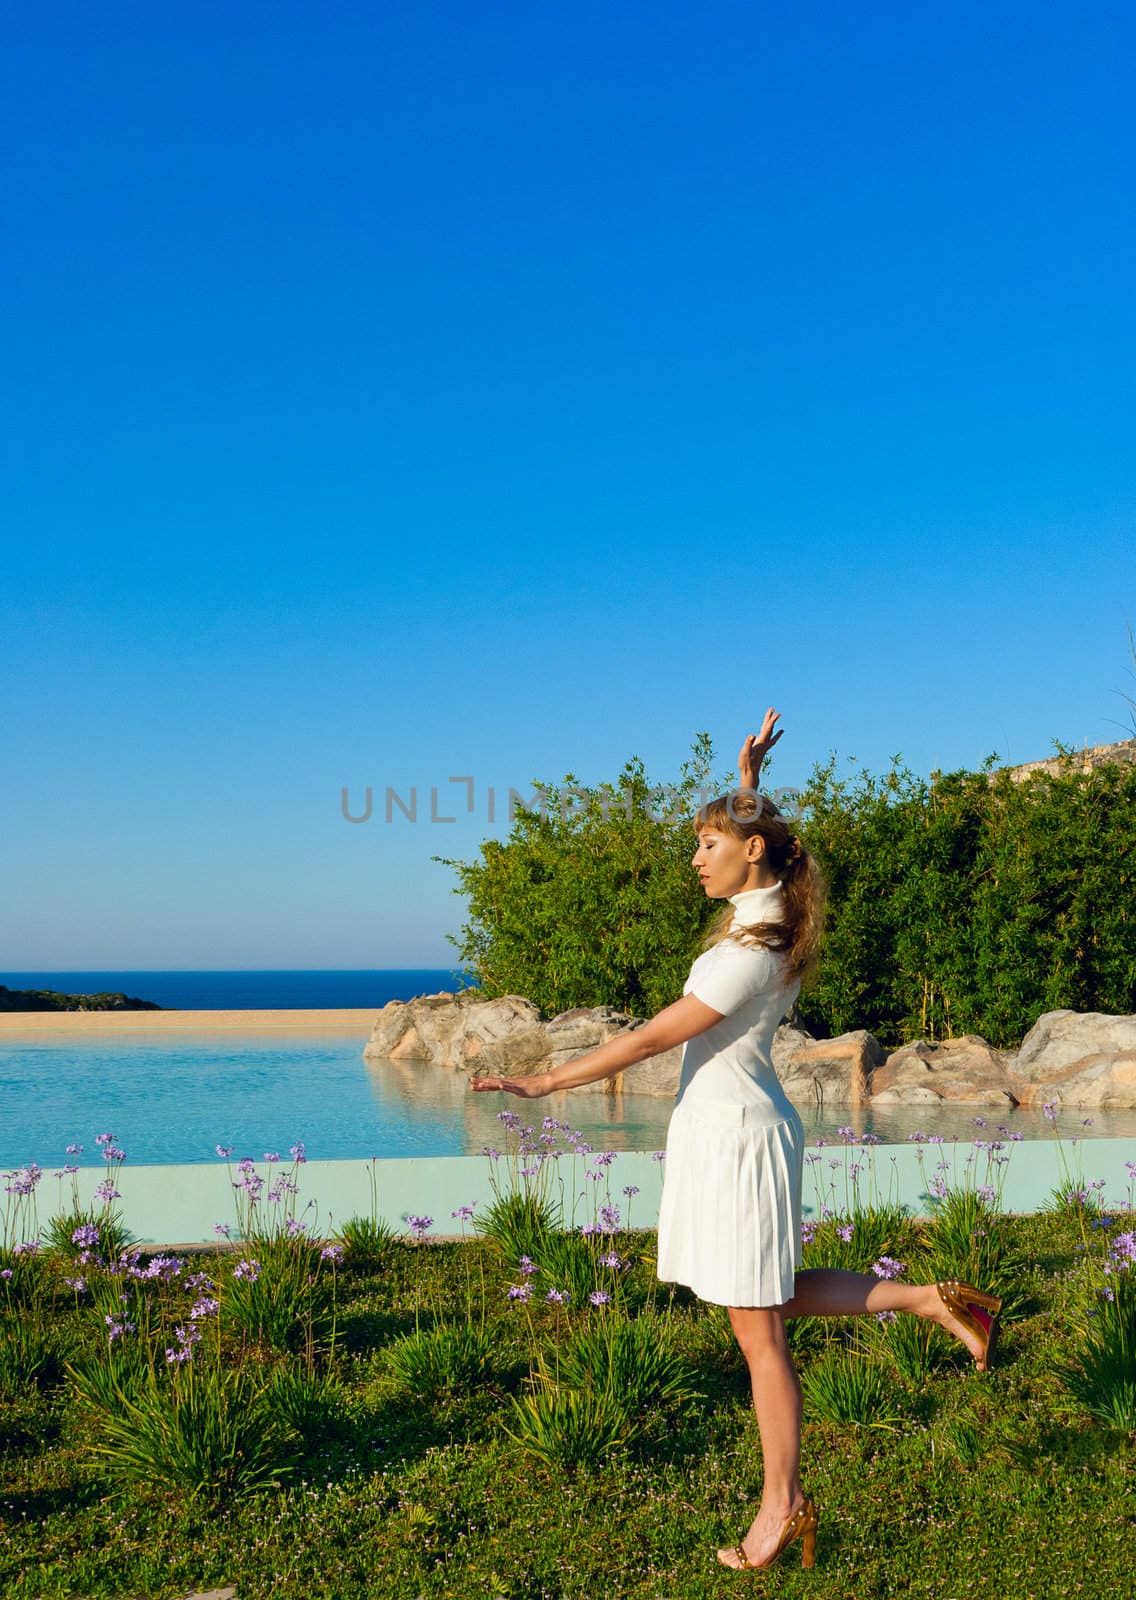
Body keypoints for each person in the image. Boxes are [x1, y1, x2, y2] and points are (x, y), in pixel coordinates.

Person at [469, 709, 1001, 1574]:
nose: (694, 858)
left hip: (738, 1142)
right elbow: (764, 853)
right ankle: (935, 1302)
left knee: (760, 1332)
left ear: (748, 854)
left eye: (707, 844)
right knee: (770, 1296)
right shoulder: (767, 915)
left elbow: (649, 1038)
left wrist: (544, 1082)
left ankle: (783, 1507)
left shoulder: (748, 953)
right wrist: (746, 782)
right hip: (726, 1134)